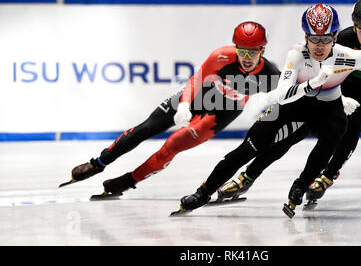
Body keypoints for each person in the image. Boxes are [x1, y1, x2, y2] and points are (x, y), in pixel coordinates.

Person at [175, 3, 361, 214]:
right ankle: (203, 193)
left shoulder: (346, 56)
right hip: (294, 106)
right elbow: (282, 94)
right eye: (313, 39)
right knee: (251, 146)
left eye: (324, 39)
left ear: (335, 37)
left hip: (326, 111)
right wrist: (313, 83)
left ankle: (303, 184)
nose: (319, 46)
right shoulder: (297, 54)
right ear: (305, 37)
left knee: (337, 130)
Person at [216, 0, 361, 207]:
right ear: (354, 28)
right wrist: (339, 98)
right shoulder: (341, 39)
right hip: (342, 90)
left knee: (351, 127)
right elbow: (318, 68)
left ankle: (327, 175)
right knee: (295, 131)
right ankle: (248, 176)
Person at [60, 21, 280, 198]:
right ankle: (98, 163)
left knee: (172, 145)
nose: (247, 58)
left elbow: (289, 95)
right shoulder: (221, 56)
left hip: (223, 111)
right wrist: (184, 104)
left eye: (253, 53)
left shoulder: (271, 76)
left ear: (263, 50)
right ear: (235, 48)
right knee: (146, 128)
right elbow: (197, 79)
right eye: (243, 52)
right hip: (200, 95)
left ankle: (129, 181)